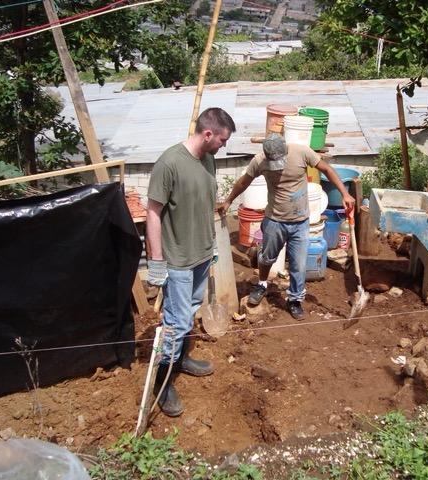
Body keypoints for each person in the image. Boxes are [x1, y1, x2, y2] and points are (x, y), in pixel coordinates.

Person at [146, 107, 236, 417]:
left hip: (200, 254)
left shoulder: (208, 159)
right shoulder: (169, 163)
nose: (224, 146)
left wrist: (211, 245)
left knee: (191, 311)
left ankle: (181, 359)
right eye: (222, 140)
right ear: (208, 134)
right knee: (176, 323)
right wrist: (156, 261)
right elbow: (153, 213)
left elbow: (203, 201)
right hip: (178, 259)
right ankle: (163, 382)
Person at [218, 134, 355, 320]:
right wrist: (228, 201)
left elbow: (327, 169)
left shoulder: (301, 153)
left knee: (298, 264)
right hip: (274, 219)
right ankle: (263, 284)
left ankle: (295, 299)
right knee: (266, 258)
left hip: (300, 221)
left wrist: (345, 194)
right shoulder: (259, 161)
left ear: (286, 150)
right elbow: (244, 182)